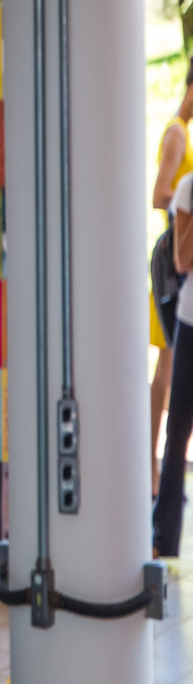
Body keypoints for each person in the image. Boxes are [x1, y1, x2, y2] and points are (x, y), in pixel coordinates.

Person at [148, 56, 193, 496]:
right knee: (167, 370)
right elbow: (159, 192)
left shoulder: (180, 129)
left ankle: (155, 468)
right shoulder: (178, 132)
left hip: (177, 260)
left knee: (168, 367)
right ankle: (153, 469)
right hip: (172, 262)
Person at [153, 166, 193, 557]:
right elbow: (182, 260)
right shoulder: (187, 188)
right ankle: (164, 537)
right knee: (177, 430)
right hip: (190, 322)